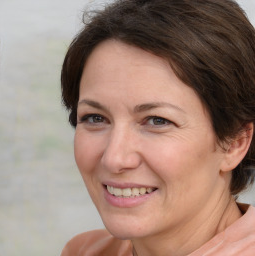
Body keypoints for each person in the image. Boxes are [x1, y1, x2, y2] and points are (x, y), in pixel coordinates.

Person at [60, 0, 255, 255]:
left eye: (157, 121)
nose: (114, 159)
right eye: (96, 118)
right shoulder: (85, 251)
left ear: (234, 143)